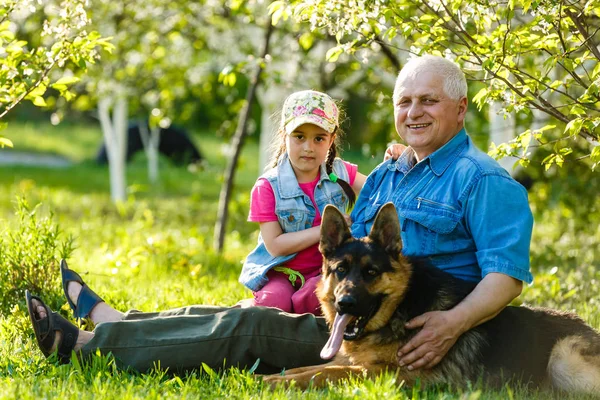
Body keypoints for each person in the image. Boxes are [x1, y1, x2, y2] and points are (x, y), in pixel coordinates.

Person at [25, 56, 533, 376]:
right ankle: (120, 323)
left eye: (430, 101)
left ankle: (89, 346)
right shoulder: (389, 172)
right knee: (236, 316)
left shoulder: (483, 180)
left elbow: (507, 276)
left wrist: (449, 324)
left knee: (245, 331)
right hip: (351, 313)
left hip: (407, 330)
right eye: (405, 102)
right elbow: (352, 249)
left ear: (461, 108)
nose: (414, 112)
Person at [240, 90, 365, 315]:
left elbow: (378, 189)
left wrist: (395, 157)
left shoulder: (340, 172)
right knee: (272, 305)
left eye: (319, 138)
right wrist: (325, 230)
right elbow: (275, 245)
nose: (308, 147)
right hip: (283, 272)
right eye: (299, 136)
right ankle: (246, 310)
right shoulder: (268, 186)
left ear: (331, 139)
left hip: (326, 270)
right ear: (284, 134)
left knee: (311, 298)